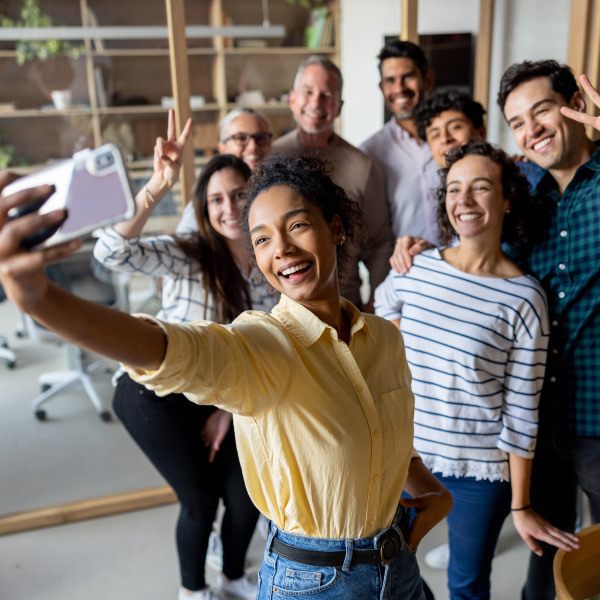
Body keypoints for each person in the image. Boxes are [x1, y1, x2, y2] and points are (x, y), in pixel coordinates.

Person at [0, 152, 453, 600]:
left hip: (400, 568)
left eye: (296, 225)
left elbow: (385, 435)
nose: (281, 249)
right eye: (261, 240)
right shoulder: (267, 344)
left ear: (335, 227)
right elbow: (171, 348)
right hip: (317, 584)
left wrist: (427, 487)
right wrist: (40, 298)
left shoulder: (383, 339)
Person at [390, 61, 600, 600]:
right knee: (548, 563)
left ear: (576, 104)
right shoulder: (531, 197)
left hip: (595, 417)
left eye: (542, 111)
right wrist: (418, 257)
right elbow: (477, 264)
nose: (531, 128)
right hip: (542, 424)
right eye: (517, 121)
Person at [93, 111, 277, 600]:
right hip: (155, 391)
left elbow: (263, 346)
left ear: (255, 196)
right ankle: (192, 591)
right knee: (200, 499)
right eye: (215, 199)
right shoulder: (191, 251)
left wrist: (224, 409)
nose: (227, 207)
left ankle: (233, 577)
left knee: (245, 497)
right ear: (203, 207)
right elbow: (111, 253)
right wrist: (156, 187)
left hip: (225, 396)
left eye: (238, 195)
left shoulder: (270, 264)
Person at [272, 55, 393, 311]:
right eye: (308, 92)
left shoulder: (363, 166)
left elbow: (380, 242)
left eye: (327, 95)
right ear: (292, 99)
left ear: (338, 106)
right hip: (279, 308)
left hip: (343, 305)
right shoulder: (269, 159)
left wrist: (376, 301)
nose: (316, 102)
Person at [359, 40, 440, 245]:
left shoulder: (454, 138)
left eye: (408, 77)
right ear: (382, 88)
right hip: (407, 271)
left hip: (463, 267)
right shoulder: (370, 153)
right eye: (390, 81)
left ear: (428, 79)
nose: (399, 88)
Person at [176, 107, 272, 234]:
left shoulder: (277, 187)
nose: (253, 147)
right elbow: (185, 241)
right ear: (222, 148)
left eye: (260, 138)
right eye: (241, 138)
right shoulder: (208, 198)